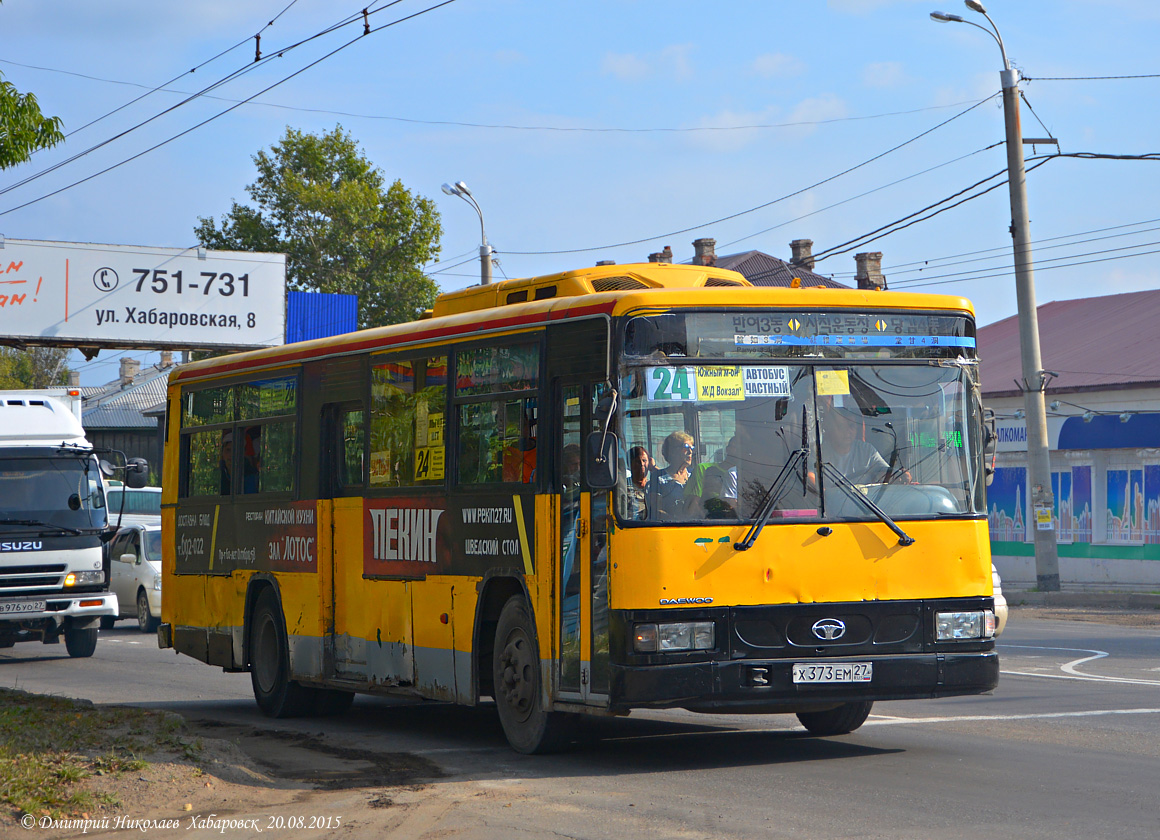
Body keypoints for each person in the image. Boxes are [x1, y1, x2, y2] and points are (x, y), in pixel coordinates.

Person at [821, 408, 907, 485]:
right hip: (830, 502)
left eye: (851, 426)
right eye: (841, 426)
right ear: (831, 428)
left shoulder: (866, 450)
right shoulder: (820, 452)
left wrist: (900, 474)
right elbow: (811, 478)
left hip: (863, 502)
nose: (848, 431)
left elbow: (884, 471)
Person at [655, 431, 695, 518]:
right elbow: (655, 510)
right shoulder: (658, 477)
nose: (690, 452)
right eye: (686, 447)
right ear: (672, 451)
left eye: (692, 448)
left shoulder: (694, 474)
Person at [625, 445, 651, 520]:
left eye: (644, 460)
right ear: (629, 464)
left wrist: (654, 468)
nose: (642, 464)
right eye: (637, 461)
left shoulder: (654, 485)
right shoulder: (624, 486)